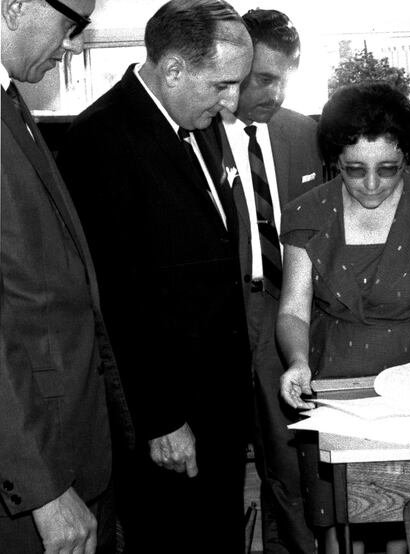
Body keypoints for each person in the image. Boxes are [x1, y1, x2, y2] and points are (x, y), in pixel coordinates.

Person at [56, 1, 254, 552]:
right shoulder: (102, 141)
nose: (232, 101)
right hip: (168, 419)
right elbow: (115, 298)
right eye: (222, 85)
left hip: (213, 403)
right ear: (172, 70)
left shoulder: (194, 119)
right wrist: (160, 419)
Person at [277, 82, 410, 551]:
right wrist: (297, 361)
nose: (371, 184)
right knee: (339, 522)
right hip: (332, 379)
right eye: (354, 170)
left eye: (387, 170)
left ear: (407, 157)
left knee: (409, 516)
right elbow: (292, 308)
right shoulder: (307, 213)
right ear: (334, 161)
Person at [0, 0, 132, 552]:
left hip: (72, 446)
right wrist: (45, 489)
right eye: (73, 23)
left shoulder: (10, 101)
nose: (75, 43)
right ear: (16, 7)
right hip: (32, 480)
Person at [194, 8, 323, 554]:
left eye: (285, 77)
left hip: (286, 307)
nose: (276, 91)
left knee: (292, 459)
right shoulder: (195, 133)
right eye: (264, 78)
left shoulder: (305, 134)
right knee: (214, 459)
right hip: (219, 315)